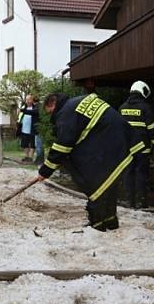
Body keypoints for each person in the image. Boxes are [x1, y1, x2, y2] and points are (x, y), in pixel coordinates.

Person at [37, 92, 145, 231]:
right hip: (124, 139)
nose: (51, 115)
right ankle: (111, 221)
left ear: (52, 103)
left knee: (96, 182)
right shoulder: (78, 101)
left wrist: (45, 171)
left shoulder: (66, 114)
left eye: (50, 112)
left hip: (111, 143)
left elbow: (62, 146)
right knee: (108, 183)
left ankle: (97, 224)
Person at [119, 80, 154, 208]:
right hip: (142, 149)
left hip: (127, 148)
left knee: (127, 173)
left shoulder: (122, 107)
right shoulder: (146, 108)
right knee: (141, 174)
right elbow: (152, 129)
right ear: (142, 91)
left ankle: (128, 201)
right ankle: (140, 202)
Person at [17, 94, 39, 163]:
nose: (27, 101)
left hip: (32, 129)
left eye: (29, 99)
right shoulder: (24, 107)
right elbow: (19, 117)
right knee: (24, 144)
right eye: (26, 99)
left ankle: (30, 158)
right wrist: (18, 124)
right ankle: (27, 157)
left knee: (32, 144)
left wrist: (22, 110)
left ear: (32, 100)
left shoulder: (35, 107)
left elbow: (33, 113)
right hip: (24, 129)